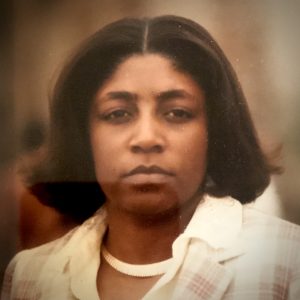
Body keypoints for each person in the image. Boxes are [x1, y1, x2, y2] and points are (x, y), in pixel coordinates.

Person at [2, 15, 300, 300]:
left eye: (177, 113)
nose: (146, 138)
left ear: (214, 131)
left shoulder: (287, 261)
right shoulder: (31, 275)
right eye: (118, 114)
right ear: (85, 135)